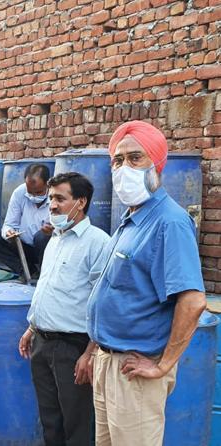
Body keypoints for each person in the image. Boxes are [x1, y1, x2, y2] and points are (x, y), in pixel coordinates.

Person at [86, 120, 207, 446]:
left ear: (157, 165)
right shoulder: (131, 220)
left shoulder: (169, 221)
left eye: (135, 158)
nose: (124, 167)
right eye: (118, 160)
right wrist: (94, 350)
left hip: (135, 371)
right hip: (108, 362)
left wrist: (163, 365)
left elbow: (193, 301)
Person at [18, 172, 110, 446]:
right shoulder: (55, 239)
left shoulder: (98, 242)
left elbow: (102, 303)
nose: (53, 205)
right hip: (42, 343)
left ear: (80, 202)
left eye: (60, 198)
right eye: (51, 199)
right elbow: (50, 289)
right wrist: (32, 328)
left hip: (73, 348)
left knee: (77, 424)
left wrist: (90, 353)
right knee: (50, 420)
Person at [0, 163, 53, 278]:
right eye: (30, 192)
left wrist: (52, 231)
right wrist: (9, 233)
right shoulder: (20, 192)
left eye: (38, 192)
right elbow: (9, 224)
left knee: (42, 236)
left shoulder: (56, 196)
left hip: (46, 249)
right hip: (23, 247)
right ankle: (28, 271)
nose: (33, 196)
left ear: (48, 184)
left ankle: (46, 275)